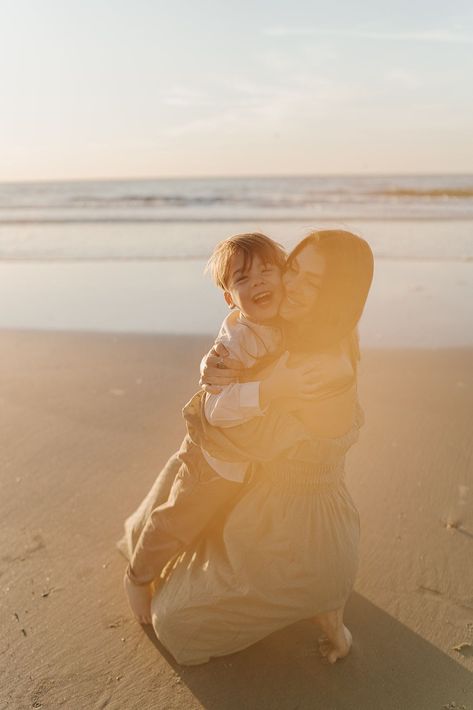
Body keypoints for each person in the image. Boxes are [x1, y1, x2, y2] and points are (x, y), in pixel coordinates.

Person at [120, 229, 374, 665]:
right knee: (177, 510)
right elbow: (241, 343)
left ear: (336, 293)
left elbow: (231, 426)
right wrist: (219, 361)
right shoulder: (287, 326)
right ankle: (141, 571)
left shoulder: (315, 367)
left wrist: (229, 392)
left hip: (295, 517)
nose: (286, 284)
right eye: (293, 268)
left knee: (176, 622)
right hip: (258, 482)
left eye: (311, 282)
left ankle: (318, 597)